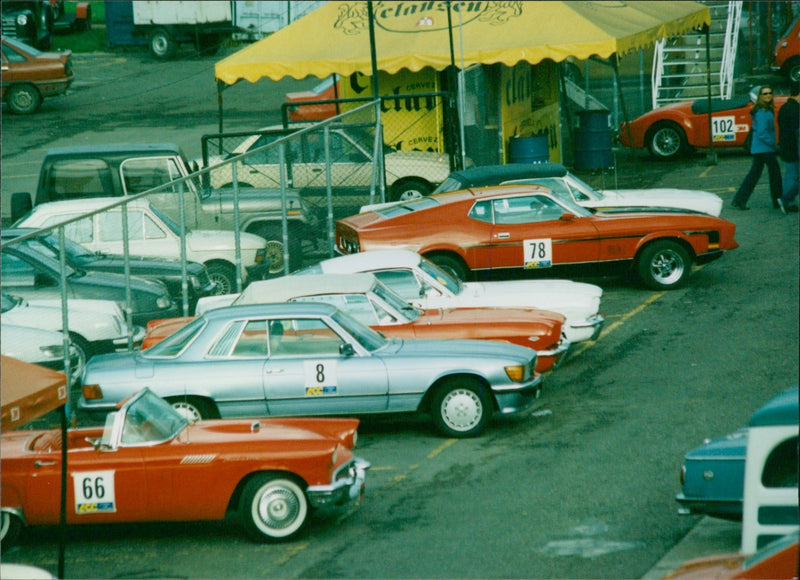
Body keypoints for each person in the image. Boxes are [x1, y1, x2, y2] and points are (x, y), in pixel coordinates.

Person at [731, 85, 782, 210]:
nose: (768, 95)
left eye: (770, 92)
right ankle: (778, 199)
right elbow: (762, 132)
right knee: (775, 173)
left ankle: (740, 199)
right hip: (764, 148)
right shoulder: (762, 112)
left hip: (760, 148)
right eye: (764, 94)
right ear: (759, 96)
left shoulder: (764, 109)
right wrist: (773, 144)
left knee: (754, 174)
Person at [777, 81, 800, 214]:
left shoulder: (785, 107)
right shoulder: (795, 110)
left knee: (790, 175)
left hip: (787, 147)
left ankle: (788, 200)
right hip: (794, 149)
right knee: (793, 176)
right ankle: (787, 200)